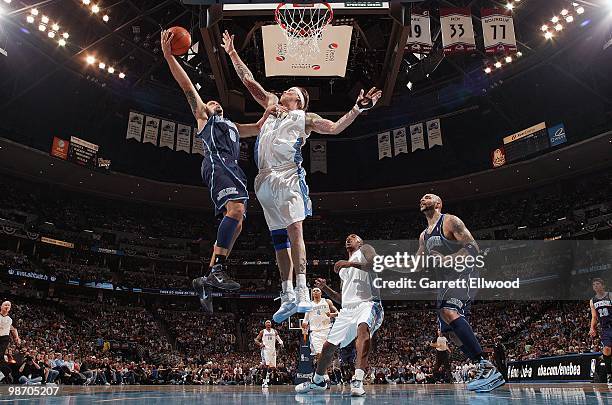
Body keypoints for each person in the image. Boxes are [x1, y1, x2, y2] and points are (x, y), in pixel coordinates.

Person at [221, 31, 382, 322]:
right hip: (264, 180)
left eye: (292, 92)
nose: (286, 93)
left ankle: (302, 288)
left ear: (300, 101)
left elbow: (334, 128)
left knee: (296, 230)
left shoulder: (304, 118)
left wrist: (358, 108)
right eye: (286, 91)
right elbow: (249, 83)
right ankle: (286, 294)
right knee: (277, 239)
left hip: (289, 176)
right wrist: (233, 53)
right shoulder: (271, 107)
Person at [161, 30, 277, 309]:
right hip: (216, 163)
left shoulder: (234, 126)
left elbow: (259, 127)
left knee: (238, 222)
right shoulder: (204, 117)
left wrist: (268, 110)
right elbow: (187, 86)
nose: (213, 103)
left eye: (216, 102)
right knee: (234, 211)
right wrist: (168, 56)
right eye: (210, 102)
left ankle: (208, 277)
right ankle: (217, 270)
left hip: (233, 169)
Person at [416, 193, 504, 392]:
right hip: (445, 283)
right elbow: (416, 264)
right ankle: (483, 365)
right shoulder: (424, 236)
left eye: (427, 197)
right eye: (421, 198)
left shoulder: (450, 221)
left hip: (465, 272)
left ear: (438, 203)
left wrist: (449, 259)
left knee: (449, 311)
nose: (423, 199)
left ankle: (486, 365)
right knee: (449, 332)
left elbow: (473, 247)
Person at [295, 234, 383, 397]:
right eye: (347, 237)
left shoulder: (366, 249)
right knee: (328, 347)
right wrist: (325, 287)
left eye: (353, 237)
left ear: (360, 242)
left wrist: (348, 264)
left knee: (362, 331)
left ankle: (357, 380)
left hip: (368, 303)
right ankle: (318, 381)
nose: (349, 238)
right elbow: (341, 298)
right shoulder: (344, 271)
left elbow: (374, 264)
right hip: (348, 310)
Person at [301, 287, 338, 384]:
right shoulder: (309, 305)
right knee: (319, 354)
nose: (315, 292)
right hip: (315, 332)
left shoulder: (327, 302)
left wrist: (331, 315)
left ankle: (323, 374)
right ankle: (325, 377)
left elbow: (337, 313)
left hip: (327, 330)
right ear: (312, 294)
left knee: (327, 355)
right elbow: (306, 318)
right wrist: (304, 324)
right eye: (313, 291)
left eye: (317, 290)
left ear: (321, 293)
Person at [589, 278, 611, 383]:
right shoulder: (592, 300)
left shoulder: (610, 295)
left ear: (603, 285)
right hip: (605, 328)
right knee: (606, 350)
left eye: (598, 284)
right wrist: (592, 328)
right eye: (594, 284)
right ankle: (609, 374)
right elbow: (594, 316)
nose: (596, 286)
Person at [254, 320, 283, 388]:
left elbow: (279, 339)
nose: (268, 324)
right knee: (266, 365)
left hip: (273, 350)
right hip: (265, 350)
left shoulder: (274, 331)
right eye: (267, 323)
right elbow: (256, 340)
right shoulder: (263, 331)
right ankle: (264, 382)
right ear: (265, 325)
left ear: (271, 324)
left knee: (273, 367)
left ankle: (266, 377)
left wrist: (281, 342)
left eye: (269, 323)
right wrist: (260, 344)